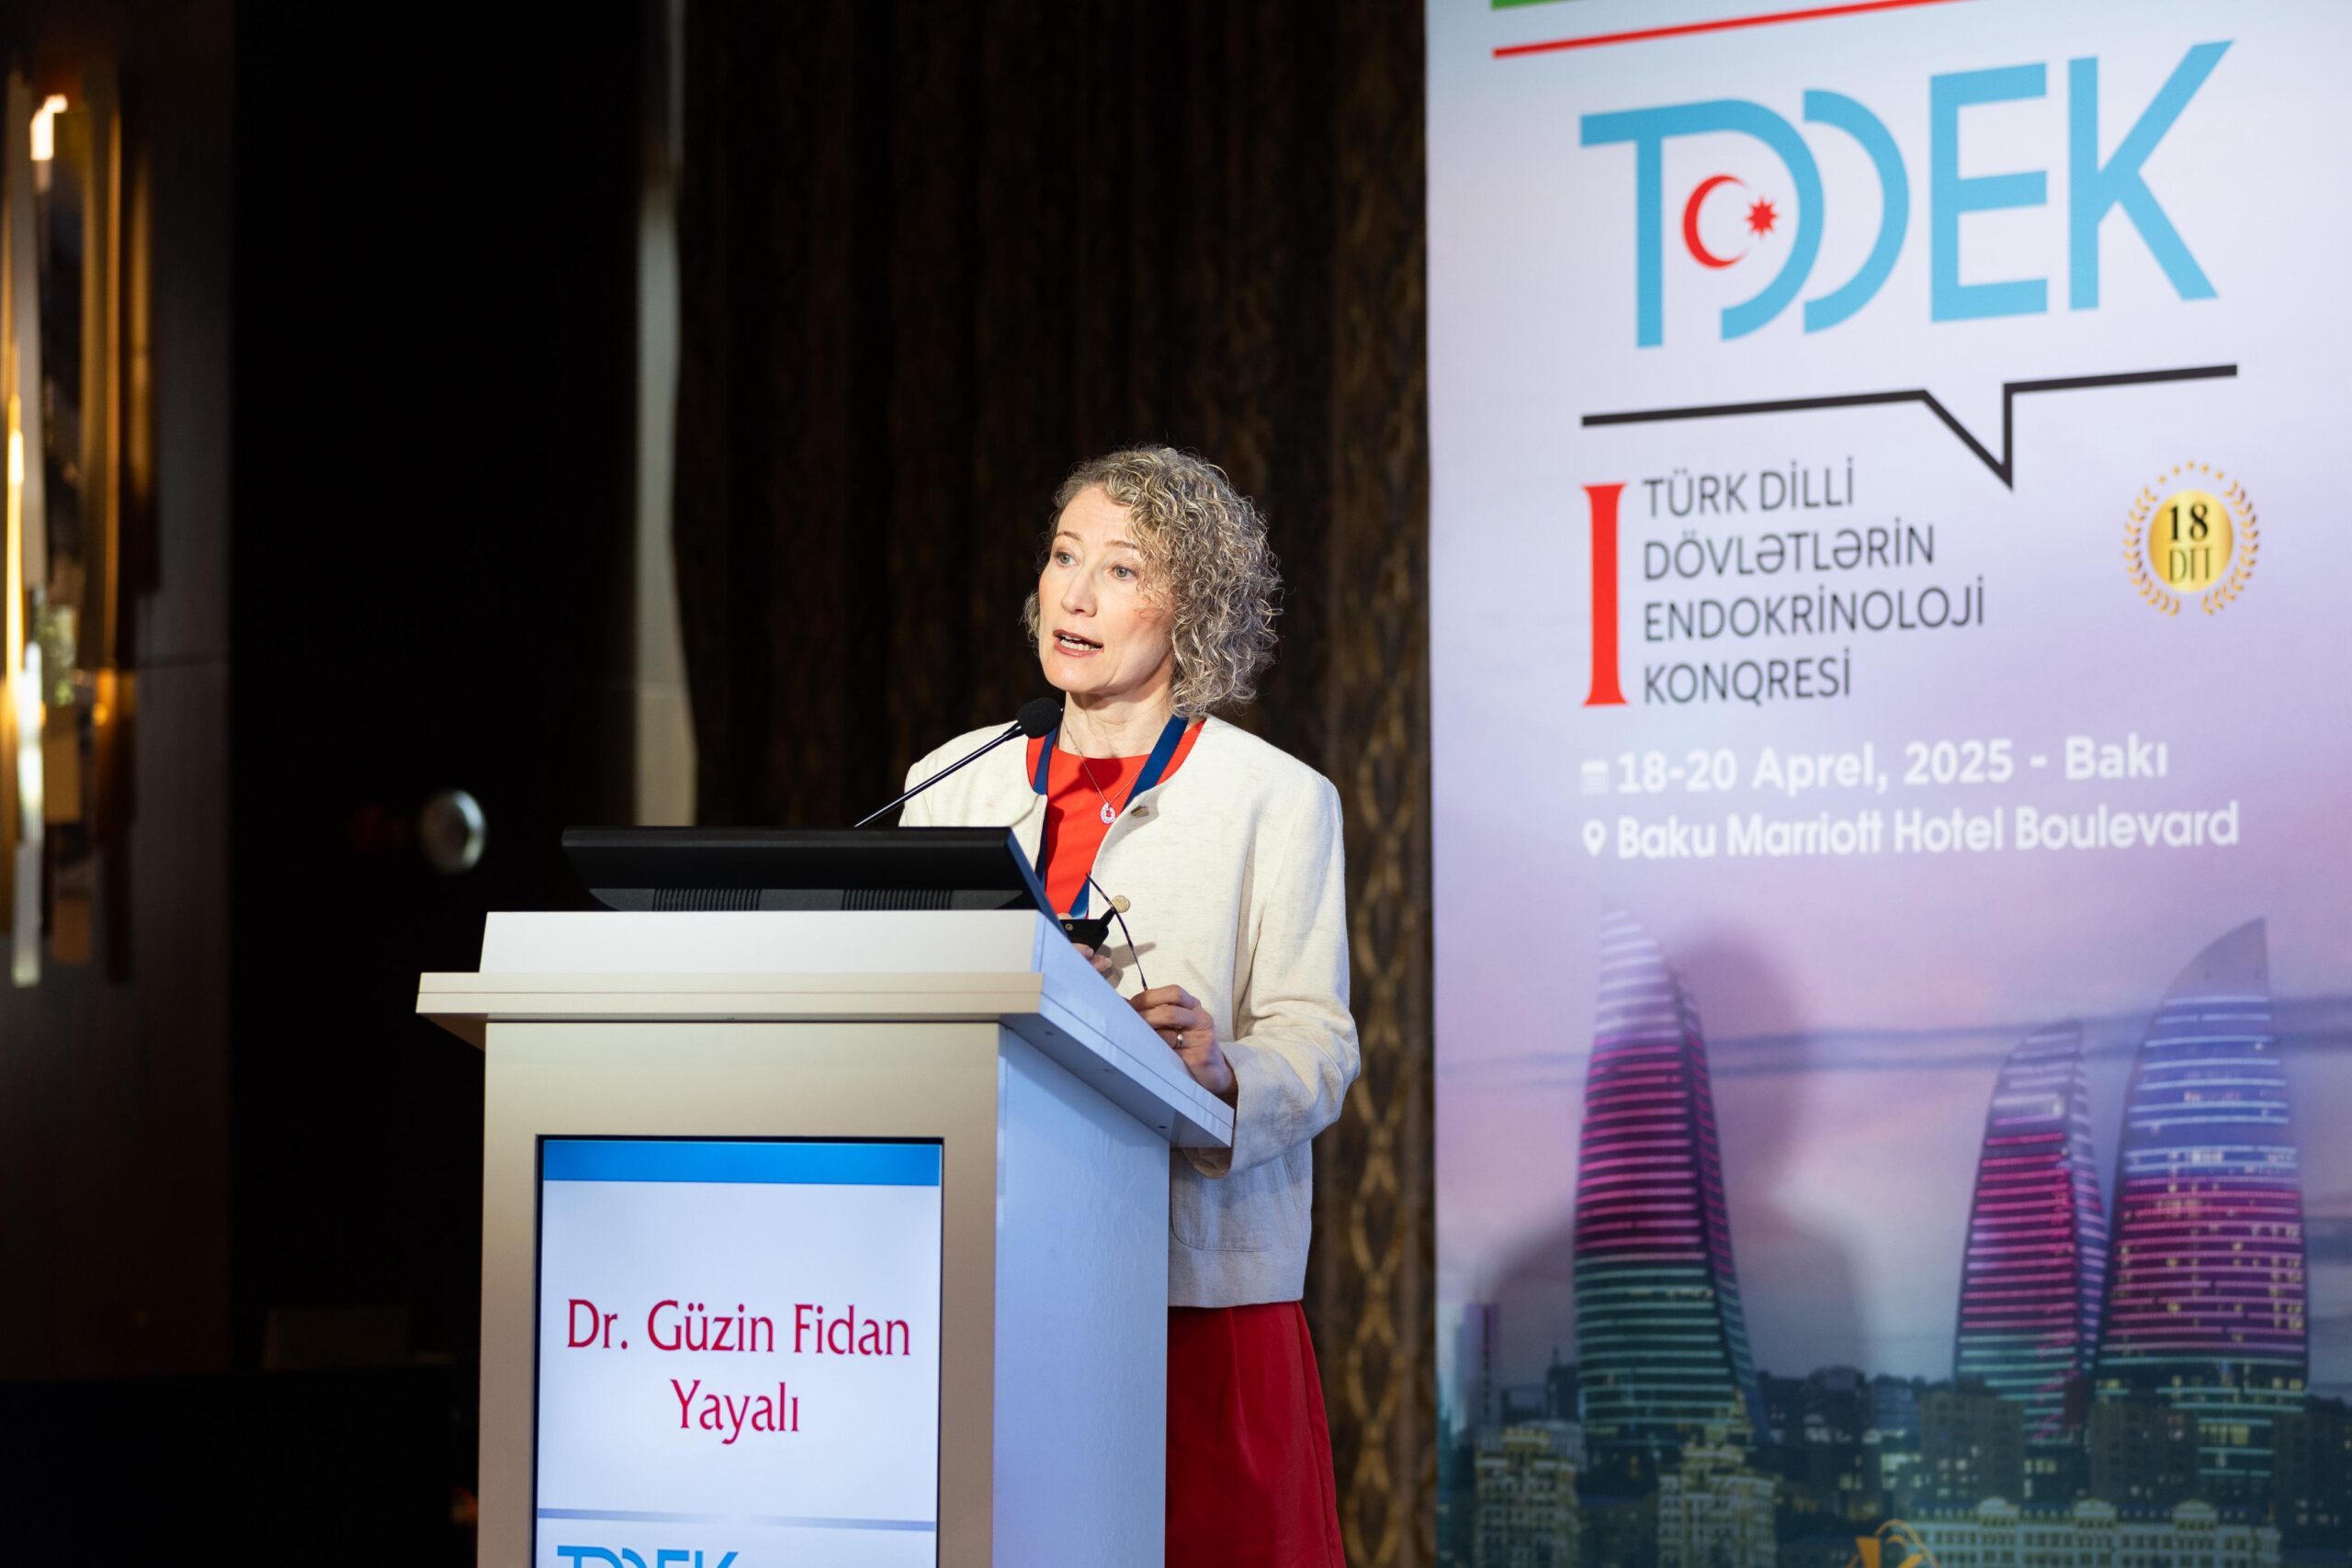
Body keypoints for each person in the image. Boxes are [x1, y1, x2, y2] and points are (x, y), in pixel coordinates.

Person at [899, 446, 1357, 1566]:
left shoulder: (1275, 800)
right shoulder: (951, 783)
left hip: (1191, 1294)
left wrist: (1221, 1068)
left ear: (1190, 610)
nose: (1075, 594)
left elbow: (1319, 1040)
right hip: (987, 1272)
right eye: (1064, 557)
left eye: (1121, 569)